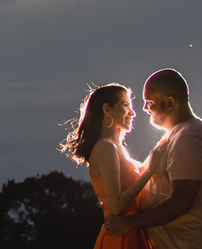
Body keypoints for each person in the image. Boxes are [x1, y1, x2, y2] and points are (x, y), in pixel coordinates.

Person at [105, 69, 202, 249]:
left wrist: (130, 223)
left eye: (149, 102)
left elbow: (180, 202)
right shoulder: (174, 136)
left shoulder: (188, 138)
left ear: (169, 103)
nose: (144, 109)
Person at [61, 83, 155, 249]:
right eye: (126, 105)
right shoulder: (106, 148)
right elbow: (116, 205)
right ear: (107, 109)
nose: (132, 113)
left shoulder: (117, 148)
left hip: (133, 234)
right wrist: (151, 171)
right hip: (121, 239)